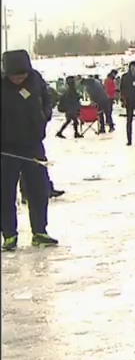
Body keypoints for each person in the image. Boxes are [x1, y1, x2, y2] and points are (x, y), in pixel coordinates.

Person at [2, 50, 57, 250]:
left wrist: (46, 113)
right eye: (14, 76)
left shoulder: (35, 80)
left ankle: (40, 232)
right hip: (6, 148)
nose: (18, 79)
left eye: (22, 75)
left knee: (39, 190)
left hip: (33, 144)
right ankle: (9, 235)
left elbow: (47, 97)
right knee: (5, 193)